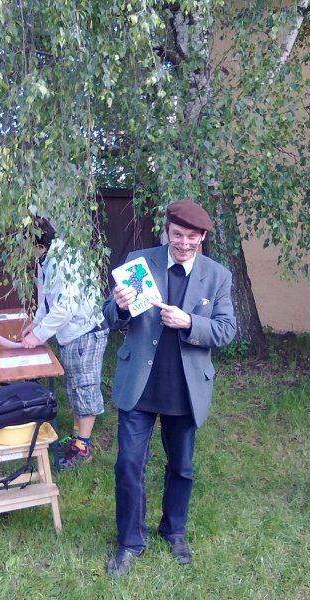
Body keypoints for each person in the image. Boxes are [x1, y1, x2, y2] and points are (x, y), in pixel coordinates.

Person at [103, 199, 236, 576]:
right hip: (140, 385)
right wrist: (121, 306)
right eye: (177, 235)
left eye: (192, 237)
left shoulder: (217, 276)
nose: (184, 243)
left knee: (181, 467)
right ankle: (130, 541)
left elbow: (226, 330)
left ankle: (173, 530)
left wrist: (189, 322)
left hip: (184, 387)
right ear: (166, 231)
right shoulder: (140, 262)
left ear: (203, 237)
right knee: (129, 464)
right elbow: (111, 318)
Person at [21, 217, 109, 469]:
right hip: (72, 334)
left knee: (84, 388)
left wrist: (38, 336)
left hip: (85, 332)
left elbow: (65, 308)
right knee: (74, 388)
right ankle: (76, 437)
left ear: (34, 241)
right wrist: (35, 324)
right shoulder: (47, 258)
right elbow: (48, 299)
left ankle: (83, 448)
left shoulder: (62, 260)